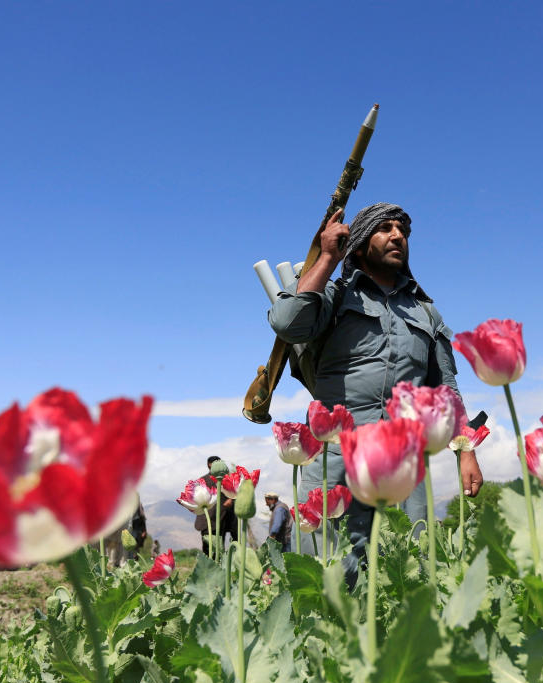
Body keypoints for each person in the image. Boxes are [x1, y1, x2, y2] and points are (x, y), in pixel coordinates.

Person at [268, 203, 483, 576]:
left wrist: (465, 451)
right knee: (326, 570)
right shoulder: (334, 295)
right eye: (385, 228)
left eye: (402, 230)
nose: (398, 235)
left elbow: (445, 388)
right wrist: (328, 259)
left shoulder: (426, 312)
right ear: (362, 241)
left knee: (411, 566)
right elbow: (287, 323)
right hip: (334, 455)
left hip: (403, 459)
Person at [194, 455, 239, 554]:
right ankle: (208, 562)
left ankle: (221, 562)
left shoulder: (227, 478)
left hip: (223, 516)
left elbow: (235, 491)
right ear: (208, 465)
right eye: (211, 466)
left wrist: (230, 499)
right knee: (207, 543)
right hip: (207, 517)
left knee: (220, 541)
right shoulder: (203, 480)